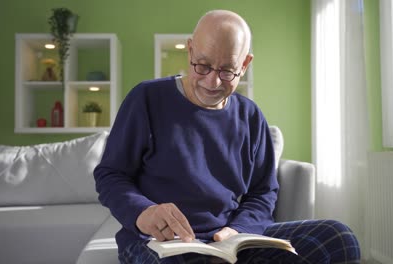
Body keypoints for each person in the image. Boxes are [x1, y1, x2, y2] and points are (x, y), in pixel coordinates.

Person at [94, 9, 361, 264]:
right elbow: (110, 175)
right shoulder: (147, 98)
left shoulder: (251, 116)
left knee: (339, 237)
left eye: (226, 71)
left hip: (228, 241)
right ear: (190, 51)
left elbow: (263, 192)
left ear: (244, 64)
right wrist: (143, 212)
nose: (212, 82)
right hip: (158, 242)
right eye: (202, 66)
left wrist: (237, 231)